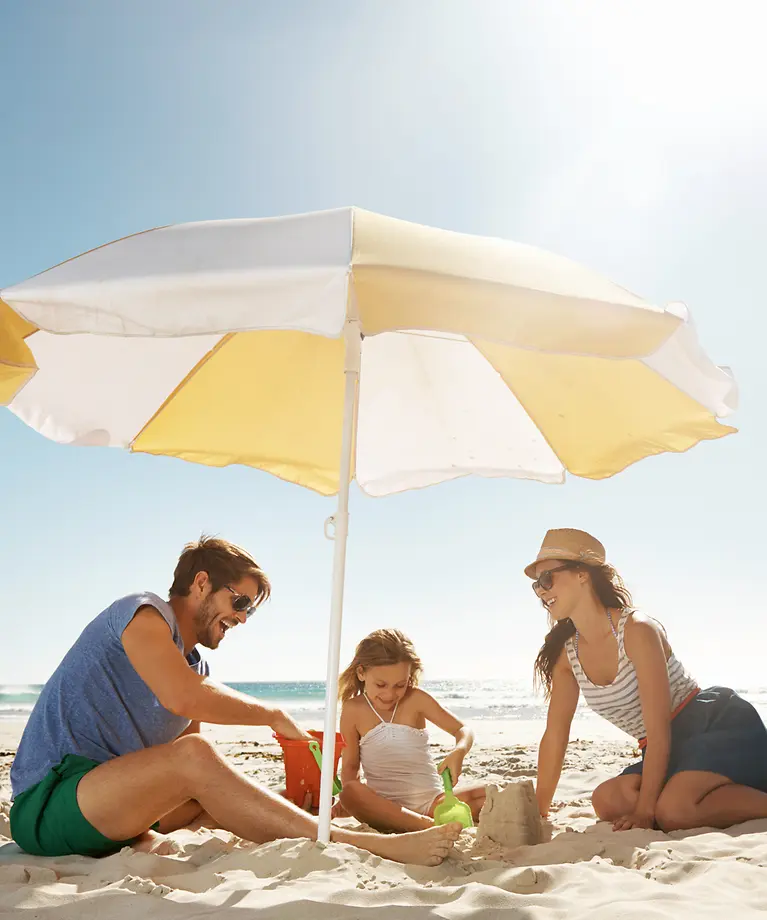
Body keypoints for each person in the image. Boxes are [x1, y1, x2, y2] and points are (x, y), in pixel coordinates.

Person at [9, 537, 460, 866]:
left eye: (250, 609)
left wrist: (283, 805)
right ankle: (366, 845)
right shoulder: (142, 613)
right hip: (47, 804)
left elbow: (189, 783)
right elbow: (183, 698)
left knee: (214, 789)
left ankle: (314, 823)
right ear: (201, 583)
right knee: (196, 754)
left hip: (109, 816)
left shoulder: (196, 667)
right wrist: (273, 715)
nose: (242, 617)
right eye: (239, 601)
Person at [528, 528, 767, 833]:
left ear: (582, 574)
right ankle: (690, 796)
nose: (541, 591)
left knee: (673, 812)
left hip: (712, 724)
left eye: (547, 578)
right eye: (537, 585)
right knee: (606, 800)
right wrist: (539, 810)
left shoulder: (637, 629)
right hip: (664, 746)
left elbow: (659, 729)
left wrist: (645, 811)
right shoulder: (567, 655)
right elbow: (555, 735)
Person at [336, 629, 486, 831]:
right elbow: (350, 767)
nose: (390, 694)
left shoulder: (416, 700)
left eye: (400, 685)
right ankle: (427, 826)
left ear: (409, 676)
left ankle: (425, 824)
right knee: (349, 792)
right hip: (383, 808)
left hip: (433, 804)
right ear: (361, 673)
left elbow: (462, 729)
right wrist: (351, 801)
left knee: (496, 792)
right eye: (381, 685)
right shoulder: (353, 710)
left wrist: (459, 751)